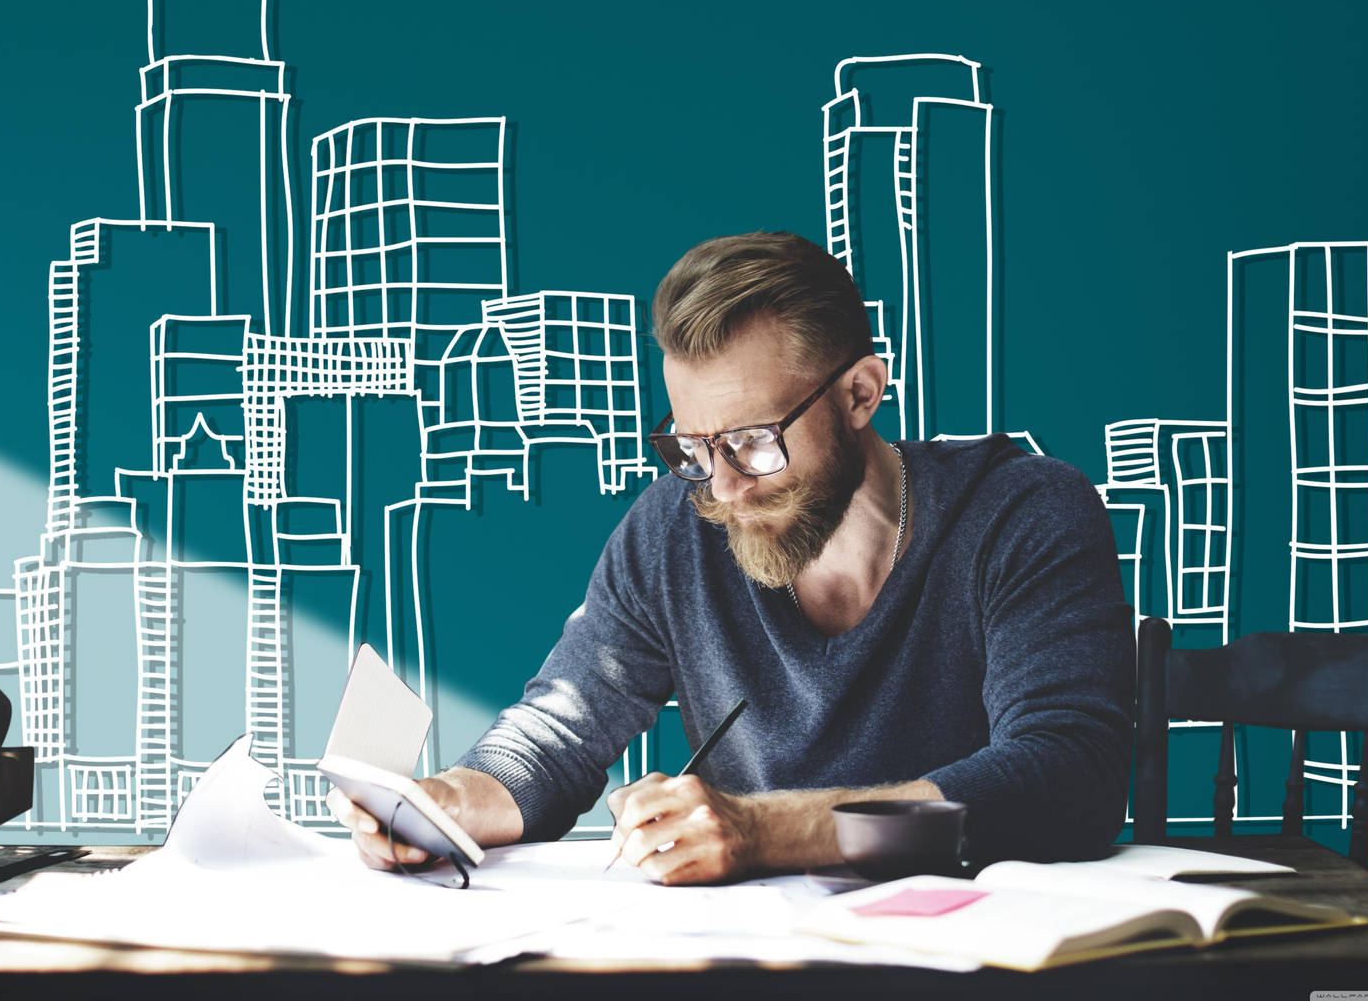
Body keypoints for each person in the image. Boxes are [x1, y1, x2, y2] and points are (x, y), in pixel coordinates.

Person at [328, 231, 1133, 884]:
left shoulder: (1022, 513)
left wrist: (768, 829)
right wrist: (455, 800)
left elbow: (1069, 775)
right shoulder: (676, 525)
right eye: (693, 445)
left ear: (861, 392)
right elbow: (561, 729)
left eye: (753, 440)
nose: (725, 487)